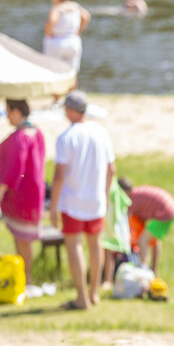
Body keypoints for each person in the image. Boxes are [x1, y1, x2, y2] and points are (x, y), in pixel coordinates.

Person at [50, 90, 116, 310]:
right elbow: (111, 169)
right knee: (95, 245)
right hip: (96, 199)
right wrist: (105, 196)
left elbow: (59, 176)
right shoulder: (101, 133)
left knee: (74, 245)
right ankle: (94, 292)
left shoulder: (66, 138)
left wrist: (53, 206)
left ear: (70, 110)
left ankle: (81, 297)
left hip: (73, 201)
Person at [0, 99, 46, 298]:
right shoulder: (36, 133)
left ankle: (26, 278)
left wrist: (1, 190)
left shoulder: (21, 137)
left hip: (21, 195)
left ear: (16, 111)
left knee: (22, 239)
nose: (7, 115)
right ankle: (24, 276)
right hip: (34, 193)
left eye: (8, 111)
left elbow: (16, 168)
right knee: (22, 238)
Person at [118, 178, 174, 277]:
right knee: (153, 240)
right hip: (171, 208)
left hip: (165, 212)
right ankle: (154, 270)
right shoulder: (137, 194)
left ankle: (144, 272)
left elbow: (126, 221)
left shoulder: (130, 200)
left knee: (142, 241)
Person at [43, 0, 91, 87]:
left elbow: (51, 22)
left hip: (57, 41)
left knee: (54, 71)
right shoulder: (75, 6)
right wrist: (79, 30)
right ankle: (72, 97)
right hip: (73, 40)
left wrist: (48, 33)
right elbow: (86, 16)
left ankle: (56, 99)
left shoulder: (57, 9)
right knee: (72, 73)